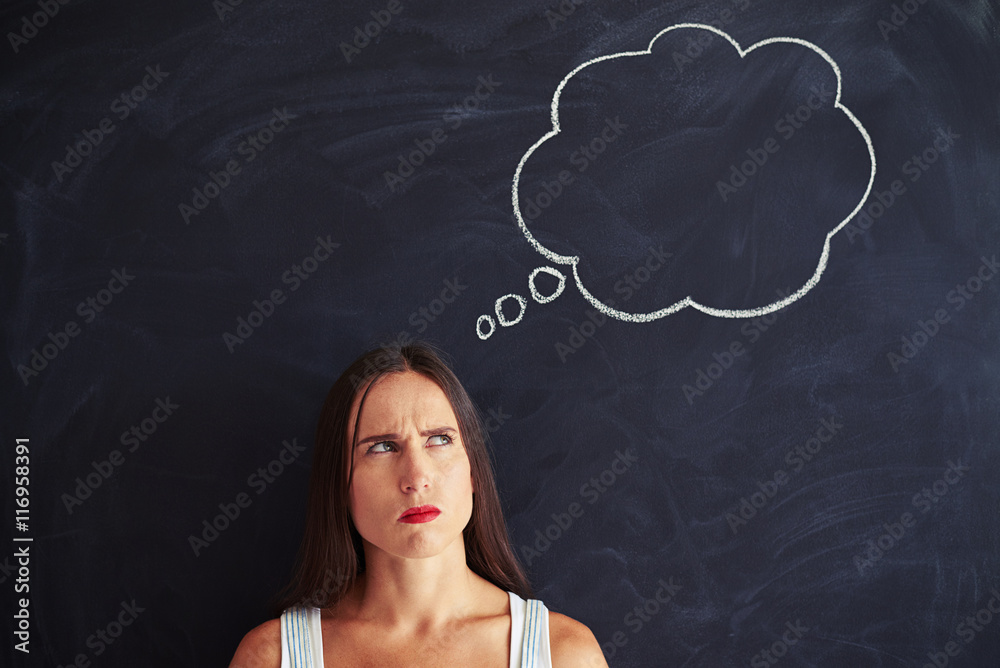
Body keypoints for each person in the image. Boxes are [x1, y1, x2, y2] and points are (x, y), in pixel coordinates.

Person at [229, 340, 607, 667]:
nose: (416, 477)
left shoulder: (563, 654)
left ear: (473, 470)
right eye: (382, 447)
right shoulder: (272, 657)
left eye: (439, 440)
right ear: (338, 485)